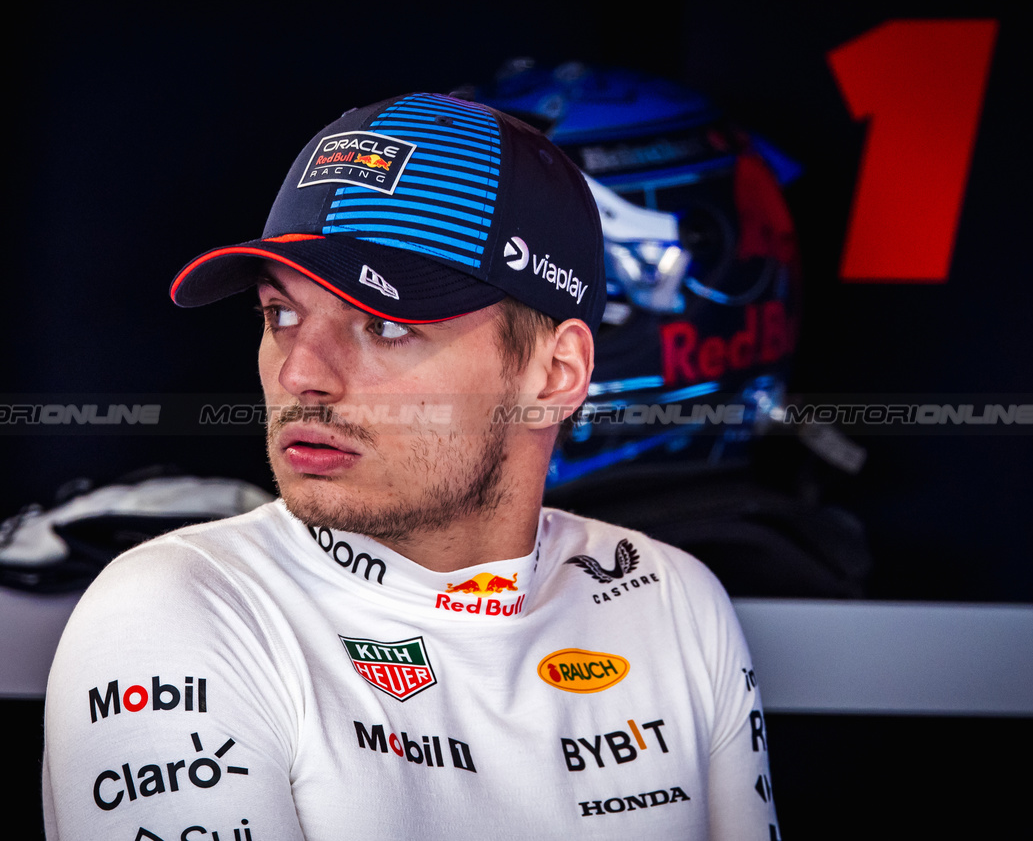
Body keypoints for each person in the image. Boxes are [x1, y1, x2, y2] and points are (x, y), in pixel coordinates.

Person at [42, 92, 781, 840]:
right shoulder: (181, 608)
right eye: (281, 314)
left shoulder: (670, 601)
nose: (301, 372)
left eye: (385, 322)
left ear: (555, 374)